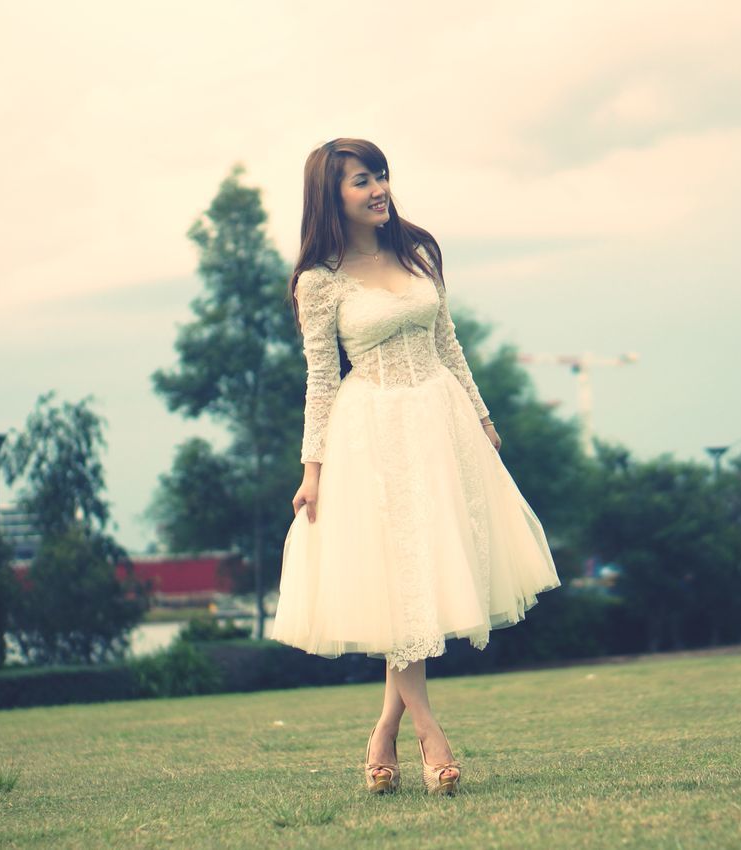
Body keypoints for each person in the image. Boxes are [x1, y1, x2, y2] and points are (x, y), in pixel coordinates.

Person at [270, 138, 561, 796]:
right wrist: (311, 468)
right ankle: (429, 733)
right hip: (369, 431)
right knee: (401, 582)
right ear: (331, 195)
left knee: (422, 581)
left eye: (380, 175)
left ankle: (382, 733)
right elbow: (321, 380)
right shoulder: (321, 282)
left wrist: (483, 420)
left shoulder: (417, 253)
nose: (378, 188)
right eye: (360, 180)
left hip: (440, 421)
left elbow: (449, 344)